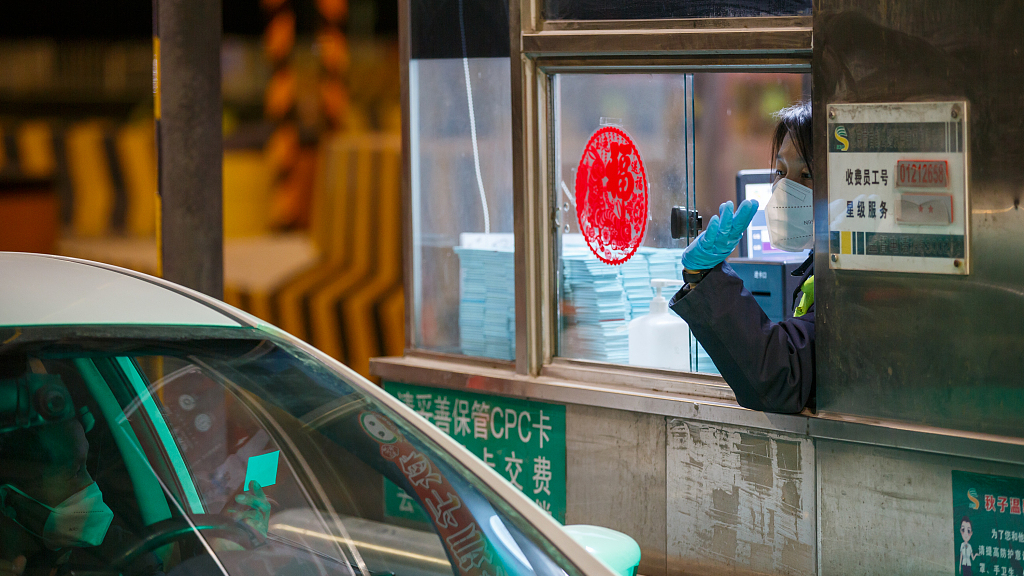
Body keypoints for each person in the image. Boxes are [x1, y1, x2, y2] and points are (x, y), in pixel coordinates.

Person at [0, 369, 269, 576]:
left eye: (86, 466)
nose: (91, 485)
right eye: (74, 472)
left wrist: (219, 547)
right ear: (10, 497)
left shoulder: (105, 544)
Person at [670, 101, 815, 414]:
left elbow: (781, 380)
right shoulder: (821, 268)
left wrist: (709, 276)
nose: (785, 187)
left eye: (807, 174)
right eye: (780, 171)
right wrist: (703, 275)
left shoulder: (853, 277)